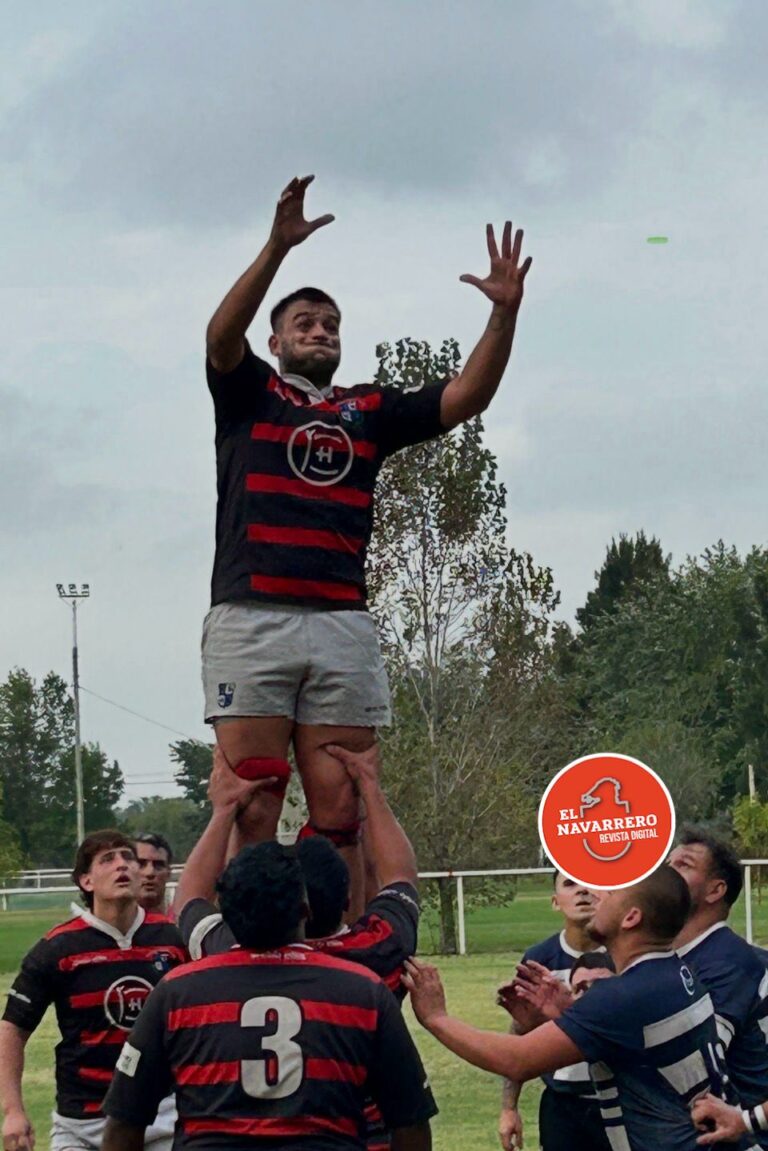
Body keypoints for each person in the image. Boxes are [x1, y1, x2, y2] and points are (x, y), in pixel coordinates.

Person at [201, 173, 533, 904]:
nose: (320, 331)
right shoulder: (250, 392)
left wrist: (503, 317)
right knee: (251, 803)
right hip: (252, 615)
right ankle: (243, 949)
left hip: (342, 623)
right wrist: (275, 248)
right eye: (306, 322)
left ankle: (349, 954)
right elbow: (219, 337)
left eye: (331, 325)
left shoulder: (370, 409)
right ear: (277, 338)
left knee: (343, 808)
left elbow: (465, 397)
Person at [100, 841, 437, 1151]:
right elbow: (411, 1123)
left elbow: (124, 1121)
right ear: (305, 909)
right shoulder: (363, 991)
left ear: (225, 913)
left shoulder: (176, 993)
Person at [404, 867, 741, 1151]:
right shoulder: (675, 973)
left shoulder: (623, 996)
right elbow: (635, 1053)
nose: (596, 895)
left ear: (631, 917)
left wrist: (437, 1018)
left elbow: (517, 1060)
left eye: (608, 893)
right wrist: (569, 1015)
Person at [0, 831, 187, 1151]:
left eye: (128, 857)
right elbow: (13, 1029)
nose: (123, 865)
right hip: (82, 1124)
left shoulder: (171, 940)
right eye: (108, 859)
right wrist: (14, 1111)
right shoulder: (56, 949)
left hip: (160, 1118)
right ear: (87, 881)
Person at [497, 871, 610, 1151]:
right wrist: (509, 1108)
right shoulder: (539, 959)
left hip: (622, 1100)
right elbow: (520, 1033)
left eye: (591, 882)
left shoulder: (625, 951)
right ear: (555, 902)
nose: (583, 890)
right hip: (563, 1106)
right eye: (570, 884)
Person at [669, 827, 768, 1146]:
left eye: (683, 865)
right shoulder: (677, 959)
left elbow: (692, 1063)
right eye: (668, 864)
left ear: (715, 891)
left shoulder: (727, 962)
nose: (667, 873)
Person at [133, 833, 173, 913]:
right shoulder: (106, 923)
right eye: (141, 864)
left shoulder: (184, 922)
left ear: (168, 873)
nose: (150, 873)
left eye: (158, 865)